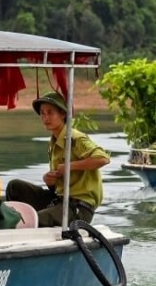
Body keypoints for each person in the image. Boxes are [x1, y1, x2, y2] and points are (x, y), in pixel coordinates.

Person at [6, 91, 110, 227]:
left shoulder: (75, 138)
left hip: (78, 207)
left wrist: (69, 166)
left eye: (50, 112)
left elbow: (102, 159)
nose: (45, 118)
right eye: (42, 113)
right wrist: (49, 180)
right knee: (15, 187)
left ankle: (25, 225)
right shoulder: (54, 142)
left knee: (35, 220)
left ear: (62, 114)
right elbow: (57, 185)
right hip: (59, 200)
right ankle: (10, 222)